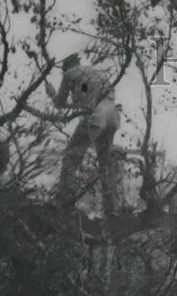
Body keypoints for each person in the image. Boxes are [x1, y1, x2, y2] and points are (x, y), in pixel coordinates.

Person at [46, 53, 121, 215]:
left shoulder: (69, 74)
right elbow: (85, 100)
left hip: (97, 117)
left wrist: (52, 94)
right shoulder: (94, 73)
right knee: (105, 162)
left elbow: (60, 103)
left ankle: (64, 202)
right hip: (113, 116)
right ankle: (112, 208)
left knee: (71, 156)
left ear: (67, 67)